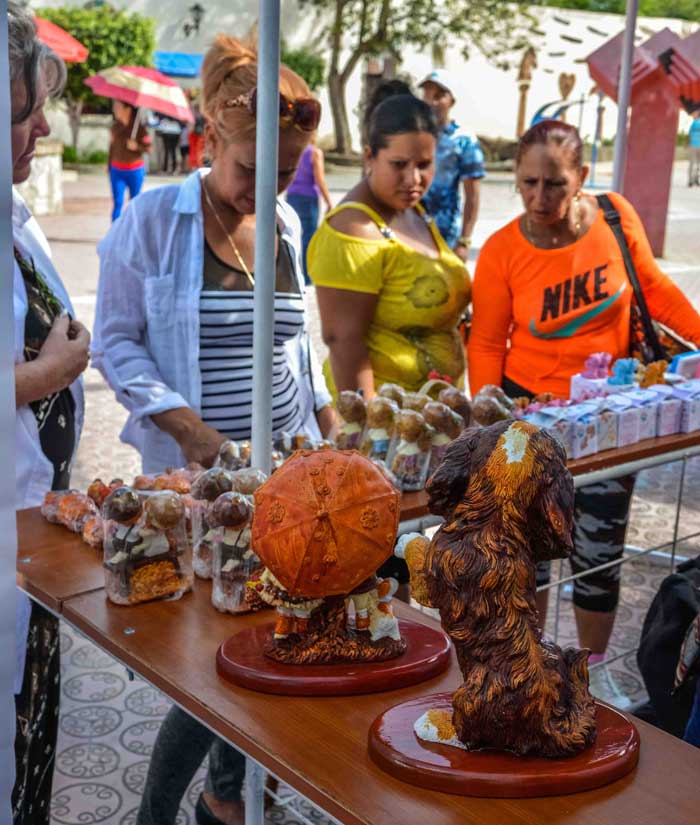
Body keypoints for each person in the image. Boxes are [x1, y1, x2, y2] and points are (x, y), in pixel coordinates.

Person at [94, 35, 333, 825]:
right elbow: (115, 338)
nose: (263, 191)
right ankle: (163, 814)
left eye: (286, 173)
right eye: (248, 173)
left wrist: (328, 421)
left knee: (265, 649)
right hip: (202, 493)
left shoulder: (286, 229)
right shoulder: (157, 219)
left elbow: (298, 346)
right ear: (210, 144)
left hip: (286, 483)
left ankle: (226, 801)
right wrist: (188, 426)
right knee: (208, 668)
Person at [468, 119, 700, 706]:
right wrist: (489, 429)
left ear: (583, 179)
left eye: (554, 184)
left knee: (599, 556)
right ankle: (534, 668)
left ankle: (591, 676)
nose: (540, 198)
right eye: (527, 183)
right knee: (531, 563)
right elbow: (488, 343)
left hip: (607, 424)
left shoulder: (615, 217)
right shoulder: (501, 250)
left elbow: (653, 288)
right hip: (532, 425)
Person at [8, 5, 91, 823]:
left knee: (28, 760)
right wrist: (45, 374)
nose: (41, 126)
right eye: (23, 114)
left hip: (28, 555)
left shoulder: (14, 218)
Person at [308, 92, 471, 400]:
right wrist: (371, 432)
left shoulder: (413, 211)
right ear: (369, 156)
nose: (413, 179)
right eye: (399, 164)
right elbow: (344, 343)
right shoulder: (353, 232)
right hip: (391, 431)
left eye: (424, 164)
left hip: (432, 421)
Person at [419, 69, 485, 261]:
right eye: (427, 96)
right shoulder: (414, 134)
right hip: (409, 231)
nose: (431, 102)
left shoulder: (463, 140)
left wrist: (464, 241)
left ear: (452, 101)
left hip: (445, 235)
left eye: (439, 96)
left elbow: (472, 195)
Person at [286, 134, 332, 283]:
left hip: (292, 196)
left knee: (292, 235)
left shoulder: (293, 150)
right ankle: (306, 276)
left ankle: (291, 272)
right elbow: (319, 179)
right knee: (309, 238)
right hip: (308, 198)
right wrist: (328, 201)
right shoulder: (314, 153)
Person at [108, 100, 151, 221]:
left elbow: (149, 149)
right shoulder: (115, 128)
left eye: (117, 106)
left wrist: (136, 146)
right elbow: (111, 148)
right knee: (117, 202)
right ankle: (115, 232)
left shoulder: (140, 129)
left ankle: (133, 233)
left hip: (135, 171)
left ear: (127, 109)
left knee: (135, 203)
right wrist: (109, 166)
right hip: (117, 171)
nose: (115, 109)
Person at [689, 111, 700, 187]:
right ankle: (694, 180)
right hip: (695, 145)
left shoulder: (693, 123)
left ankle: (691, 180)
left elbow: (689, 134)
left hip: (693, 145)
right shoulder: (694, 123)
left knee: (693, 163)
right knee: (697, 164)